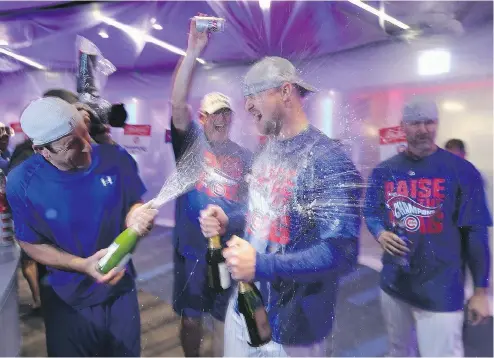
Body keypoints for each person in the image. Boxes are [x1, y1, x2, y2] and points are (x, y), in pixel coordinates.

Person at [200, 56, 363, 357]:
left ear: (286, 92)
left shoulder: (328, 159)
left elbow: (343, 253)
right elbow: (266, 216)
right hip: (245, 306)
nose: (246, 106)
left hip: (292, 331)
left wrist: (263, 266)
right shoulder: (268, 151)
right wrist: (230, 220)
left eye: (255, 95)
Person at [6, 96, 158, 356]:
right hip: (68, 301)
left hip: (120, 294)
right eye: (71, 144)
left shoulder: (115, 158)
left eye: (85, 134)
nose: (87, 147)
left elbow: (135, 202)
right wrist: (82, 265)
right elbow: (30, 242)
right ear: (42, 149)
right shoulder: (22, 183)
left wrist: (137, 216)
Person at [364, 99, 492, 357]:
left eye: (429, 122)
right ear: (402, 126)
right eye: (415, 122)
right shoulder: (385, 171)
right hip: (395, 285)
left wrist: (480, 291)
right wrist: (380, 232)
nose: (423, 129)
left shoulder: (462, 172)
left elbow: (476, 235)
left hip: (441, 290)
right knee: (399, 351)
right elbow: (372, 211)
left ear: (437, 124)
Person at [169, 15, 252, 357]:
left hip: (228, 252)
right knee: (191, 322)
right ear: (201, 119)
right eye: (214, 113)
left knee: (224, 320)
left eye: (226, 113)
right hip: (191, 251)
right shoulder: (189, 146)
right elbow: (176, 104)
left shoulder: (245, 156)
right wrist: (192, 51)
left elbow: (253, 205)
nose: (221, 119)